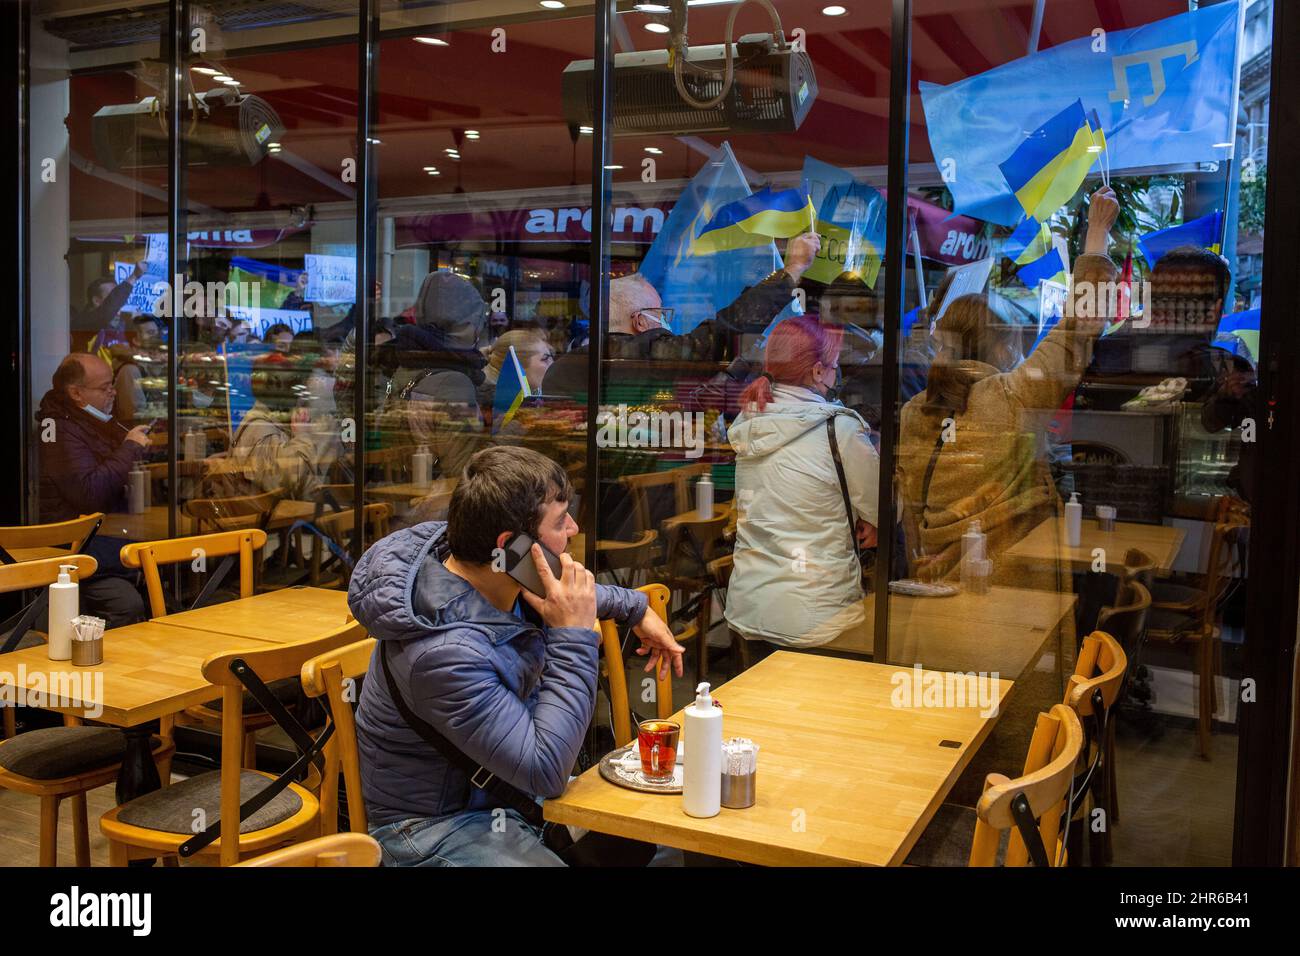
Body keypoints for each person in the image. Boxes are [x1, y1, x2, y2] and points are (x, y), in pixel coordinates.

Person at [349, 445, 685, 866]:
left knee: (678, 835)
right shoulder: (443, 655)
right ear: (511, 546)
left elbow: (566, 591)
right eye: (560, 521)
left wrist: (635, 608)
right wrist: (573, 636)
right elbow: (547, 769)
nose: (575, 528)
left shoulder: (491, 571)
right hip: (438, 825)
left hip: (513, 796)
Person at [896, 186, 1120, 581]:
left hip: (934, 584)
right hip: (1008, 584)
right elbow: (1081, 325)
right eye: (1016, 346)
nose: (1020, 358)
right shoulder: (1013, 396)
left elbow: (911, 505)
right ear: (1000, 350)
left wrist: (920, 557)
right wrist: (1097, 232)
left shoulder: (914, 411)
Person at [725, 315, 881, 653]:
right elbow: (878, 506)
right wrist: (871, 520)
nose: (837, 374)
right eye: (835, 366)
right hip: (819, 615)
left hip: (750, 609)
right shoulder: (839, 430)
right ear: (817, 371)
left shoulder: (748, 422)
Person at [35, 354, 151, 627]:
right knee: (128, 603)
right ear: (76, 393)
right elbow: (89, 492)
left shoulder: (94, 423)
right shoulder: (58, 429)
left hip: (108, 538)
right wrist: (130, 447)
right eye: (104, 388)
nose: (112, 392)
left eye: (112, 385)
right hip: (78, 548)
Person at [375, 270, 490, 480]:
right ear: (464, 323)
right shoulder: (454, 382)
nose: (478, 331)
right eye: (476, 320)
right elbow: (463, 475)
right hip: (436, 503)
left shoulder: (406, 361)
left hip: (402, 494)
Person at [228, 351, 329, 499]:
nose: (296, 392)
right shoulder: (263, 429)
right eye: (290, 384)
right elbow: (287, 485)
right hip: (269, 520)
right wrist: (302, 436)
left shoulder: (264, 422)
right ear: (273, 384)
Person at [479, 328, 555, 412]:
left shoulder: (530, 401)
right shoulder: (501, 409)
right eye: (545, 358)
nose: (552, 363)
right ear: (517, 365)